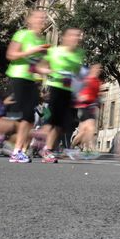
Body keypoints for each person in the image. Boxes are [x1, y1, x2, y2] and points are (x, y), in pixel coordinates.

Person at [0, 9, 49, 163]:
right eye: (39, 18)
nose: (43, 20)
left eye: (44, 18)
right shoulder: (22, 34)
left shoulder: (42, 40)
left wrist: (48, 70)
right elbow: (11, 55)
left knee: (28, 119)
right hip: (17, 77)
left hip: (32, 80)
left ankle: (17, 151)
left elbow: (38, 65)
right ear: (30, 21)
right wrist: (32, 51)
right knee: (17, 118)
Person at [41, 27, 85, 163]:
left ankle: (48, 149)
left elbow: (78, 72)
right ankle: (44, 147)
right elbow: (40, 67)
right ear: (65, 38)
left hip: (69, 91)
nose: (77, 38)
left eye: (79, 36)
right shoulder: (54, 51)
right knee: (52, 122)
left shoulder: (79, 53)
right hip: (55, 88)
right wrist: (53, 72)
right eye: (74, 35)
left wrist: (79, 82)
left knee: (61, 124)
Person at [69, 63, 102, 158]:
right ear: (92, 70)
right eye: (97, 68)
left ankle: (72, 148)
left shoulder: (97, 81)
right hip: (84, 106)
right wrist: (80, 97)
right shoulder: (86, 79)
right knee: (90, 128)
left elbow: (96, 94)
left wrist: (98, 101)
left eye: (100, 69)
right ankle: (89, 149)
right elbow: (78, 90)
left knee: (83, 131)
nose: (99, 70)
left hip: (92, 106)